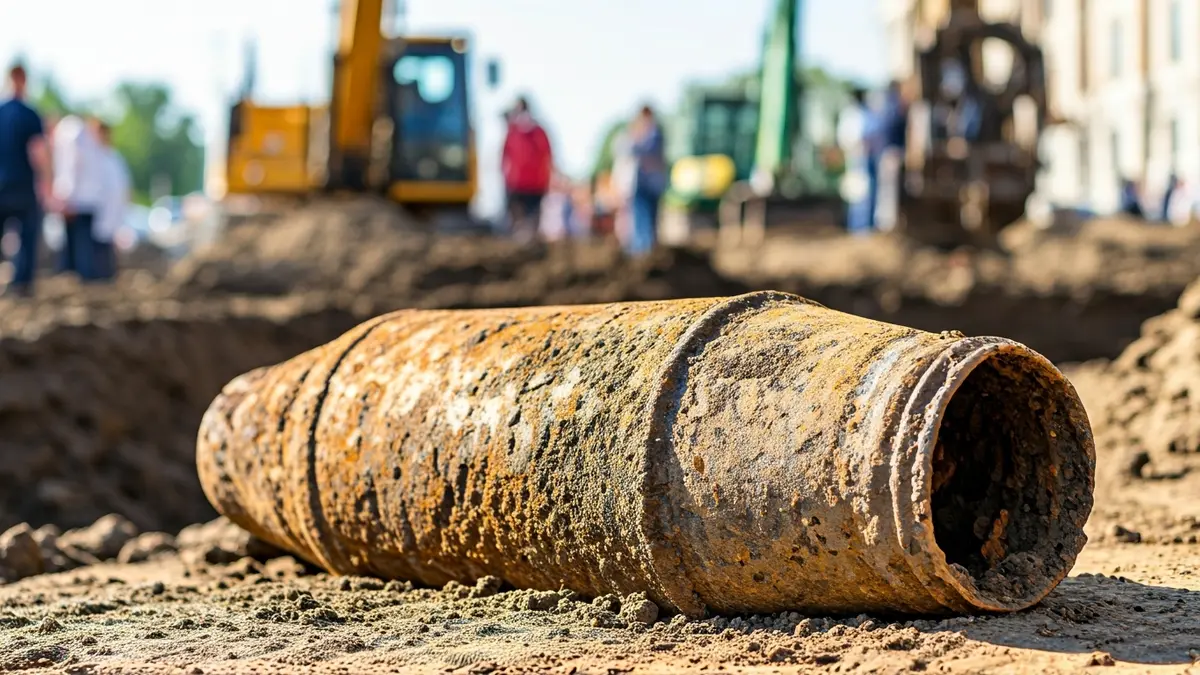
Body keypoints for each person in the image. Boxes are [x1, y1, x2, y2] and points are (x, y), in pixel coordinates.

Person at [0, 64, 51, 297]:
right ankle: (21, 285)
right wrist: (48, 184)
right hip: (22, 186)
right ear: (24, 81)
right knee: (27, 235)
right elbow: (39, 153)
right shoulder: (30, 114)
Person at [50, 113, 105, 280]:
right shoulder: (82, 133)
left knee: (79, 248)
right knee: (84, 247)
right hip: (89, 199)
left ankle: (81, 281)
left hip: (77, 200)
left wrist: (66, 195)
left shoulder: (67, 132)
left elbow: (72, 165)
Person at [501, 96, 553, 242]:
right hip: (518, 185)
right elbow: (504, 158)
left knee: (530, 221)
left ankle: (528, 244)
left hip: (534, 186)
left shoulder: (537, 133)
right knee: (520, 219)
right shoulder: (513, 132)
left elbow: (548, 157)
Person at [620, 104, 666, 257]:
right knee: (643, 216)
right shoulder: (654, 133)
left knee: (644, 216)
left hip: (648, 183)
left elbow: (634, 149)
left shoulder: (653, 134)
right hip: (648, 182)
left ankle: (643, 249)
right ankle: (643, 247)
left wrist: (635, 135)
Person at [838, 88, 883, 235]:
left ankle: (868, 226)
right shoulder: (851, 114)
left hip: (869, 156)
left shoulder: (868, 113)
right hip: (857, 158)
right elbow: (845, 138)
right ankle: (858, 228)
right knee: (858, 193)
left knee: (870, 192)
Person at [92, 120, 129, 281]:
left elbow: (123, 184)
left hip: (111, 206)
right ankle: (100, 274)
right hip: (98, 206)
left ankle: (108, 274)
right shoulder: (94, 156)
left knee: (108, 242)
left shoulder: (114, 157)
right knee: (98, 244)